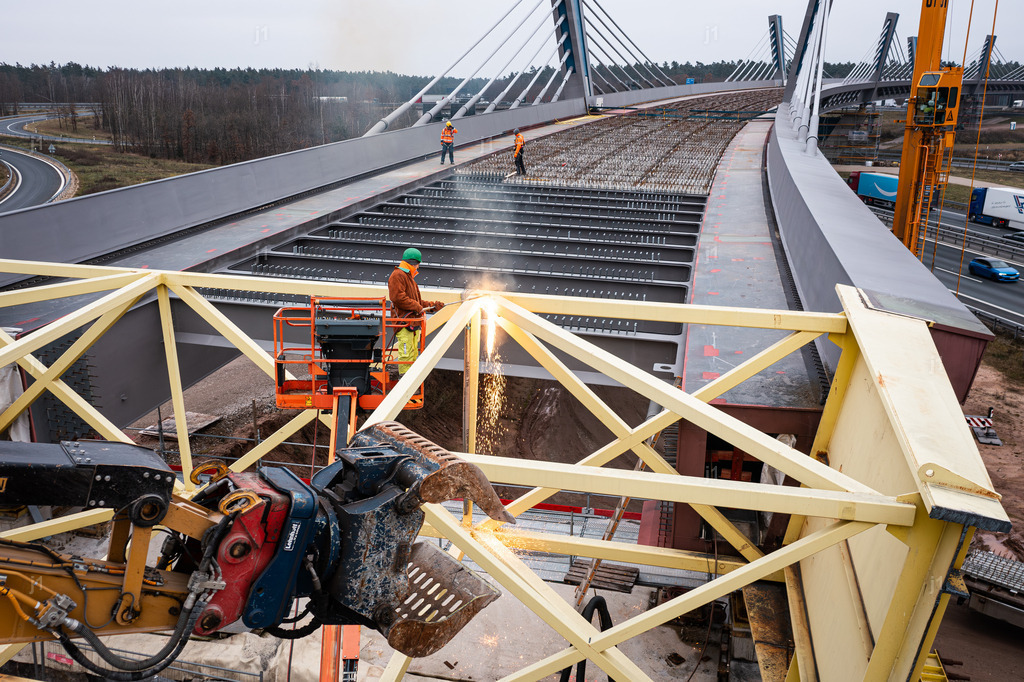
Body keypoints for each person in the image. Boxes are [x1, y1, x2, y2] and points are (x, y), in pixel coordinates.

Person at [387, 247, 442, 376]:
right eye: (417, 265)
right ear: (413, 263)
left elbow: (416, 301)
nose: (418, 268)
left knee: (412, 353)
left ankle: (409, 379)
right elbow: (398, 297)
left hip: (411, 323)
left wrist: (432, 305)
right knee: (406, 355)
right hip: (404, 323)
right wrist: (417, 307)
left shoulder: (408, 278)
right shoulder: (398, 275)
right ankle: (405, 382)